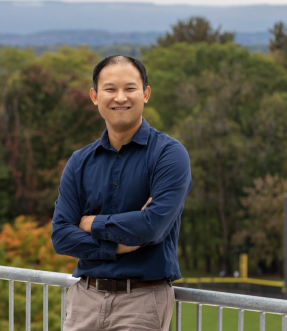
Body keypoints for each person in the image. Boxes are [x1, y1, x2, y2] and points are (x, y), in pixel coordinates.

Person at [51, 55, 192, 331]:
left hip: (142, 300)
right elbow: (61, 236)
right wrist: (120, 243)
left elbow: (151, 228)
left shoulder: (169, 155)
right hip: (84, 299)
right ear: (94, 96)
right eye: (110, 89)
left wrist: (92, 223)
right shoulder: (80, 161)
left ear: (146, 94)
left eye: (130, 88)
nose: (120, 97)